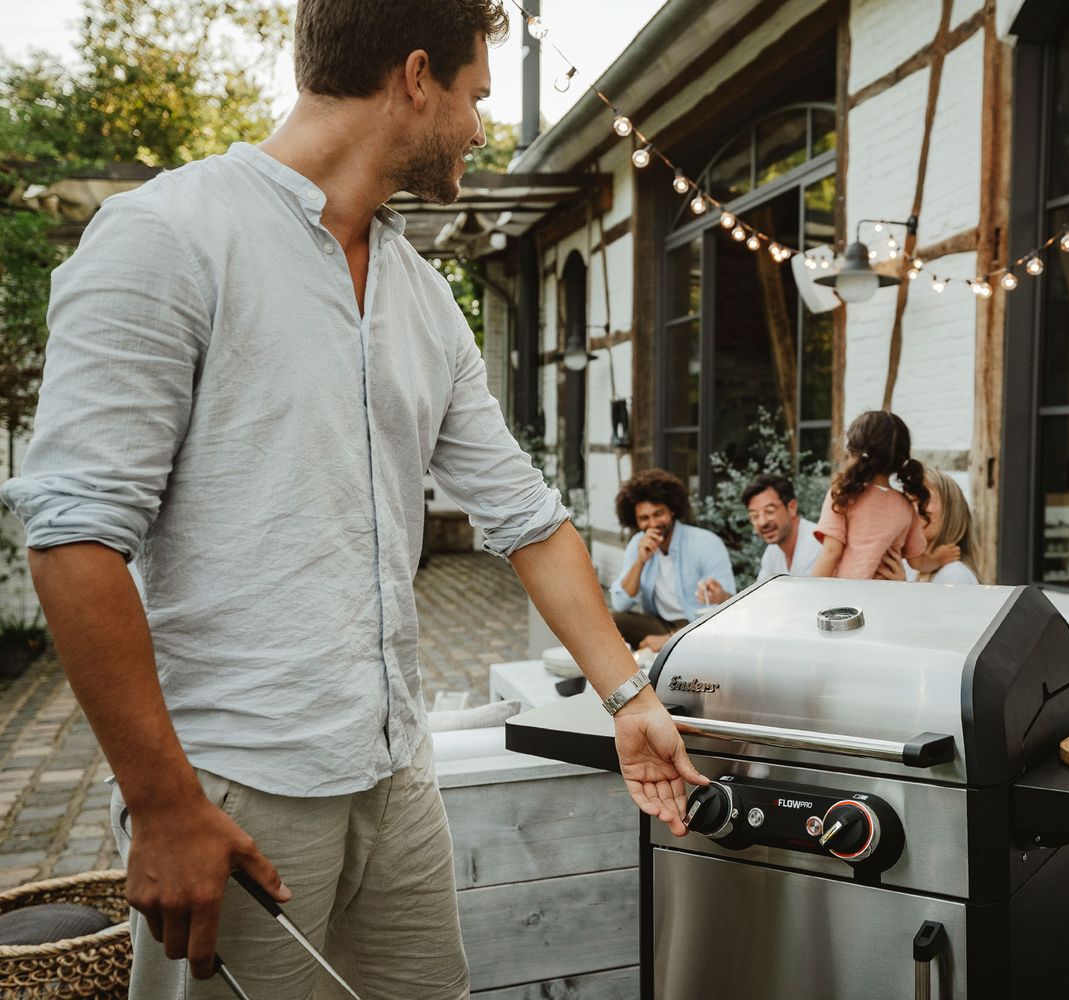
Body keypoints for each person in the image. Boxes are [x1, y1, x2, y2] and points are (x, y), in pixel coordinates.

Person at [0, 4, 707, 997]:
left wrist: (629, 700)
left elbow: (528, 519)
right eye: (474, 97)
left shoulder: (422, 296)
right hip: (236, 788)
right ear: (415, 77)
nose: (480, 127)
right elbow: (75, 539)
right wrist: (161, 804)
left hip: (395, 774)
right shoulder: (166, 236)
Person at [810, 410, 958, 580]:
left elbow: (831, 551)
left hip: (848, 592)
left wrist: (811, 590)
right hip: (887, 593)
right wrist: (939, 558)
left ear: (854, 452)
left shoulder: (843, 495)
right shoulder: (906, 506)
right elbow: (918, 562)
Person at [610, 469, 736, 651]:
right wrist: (640, 562)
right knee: (610, 620)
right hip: (660, 623)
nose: (653, 523)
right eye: (644, 518)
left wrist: (668, 639)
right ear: (635, 521)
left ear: (672, 510)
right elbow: (620, 604)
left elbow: (729, 608)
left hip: (699, 625)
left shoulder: (706, 543)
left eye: (658, 514)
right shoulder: (638, 544)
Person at [907, 470, 981, 584]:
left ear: (950, 512)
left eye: (923, 499)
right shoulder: (909, 567)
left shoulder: (954, 574)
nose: (912, 508)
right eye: (909, 500)